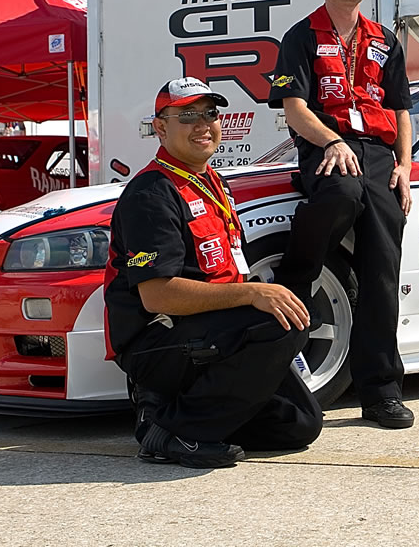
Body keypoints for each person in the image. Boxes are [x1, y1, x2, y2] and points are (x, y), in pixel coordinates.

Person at [103, 76, 323, 469]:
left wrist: (252, 293)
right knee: (281, 324)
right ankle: (173, 432)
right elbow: (157, 296)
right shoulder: (151, 194)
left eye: (209, 113)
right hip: (157, 340)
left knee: (299, 426)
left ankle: (172, 412)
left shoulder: (212, 182)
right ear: (160, 127)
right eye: (187, 116)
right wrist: (252, 295)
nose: (203, 124)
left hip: (209, 332)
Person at [267, 0, 416, 429]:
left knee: (381, 274)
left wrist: (405, 166)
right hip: (324, 147)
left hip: (378, 157)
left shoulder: (385, 40)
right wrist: (332, 141)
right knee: (343, 193)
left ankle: (381, 393)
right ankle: (298, 271)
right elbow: (294, 109)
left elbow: (400, 112)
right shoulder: (300, 36)